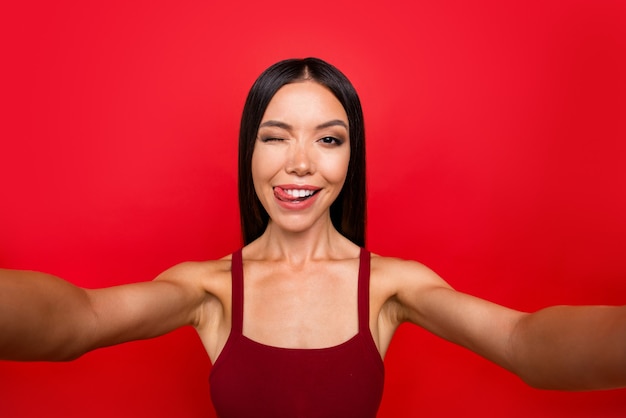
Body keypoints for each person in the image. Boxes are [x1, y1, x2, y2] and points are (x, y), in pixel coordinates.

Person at [1, 57, 625, 417]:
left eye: (328, 139)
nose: (300, 162)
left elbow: (523, 341)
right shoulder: (207, 289)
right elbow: (76, 321)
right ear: (249, 151)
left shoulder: (391, 286)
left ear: (351, 157)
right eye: (275, 136)